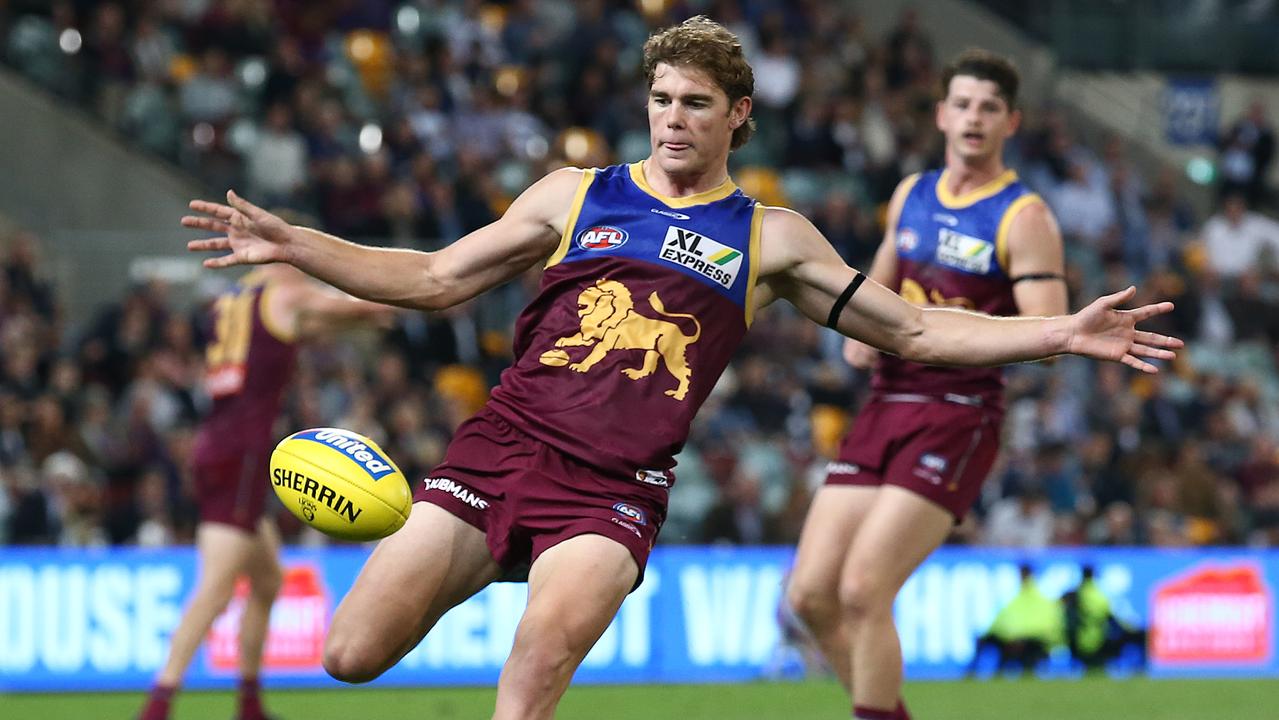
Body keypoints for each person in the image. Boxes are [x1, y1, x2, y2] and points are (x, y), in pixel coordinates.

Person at [180, 19, 1179, 720]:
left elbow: (910, 335)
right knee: (348, 657)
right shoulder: (575, 194)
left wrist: (1055, 332)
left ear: (736, 115)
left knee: (530, 678)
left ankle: (524, 565)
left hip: (610, 492)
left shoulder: (772, 239)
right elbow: (436, 276)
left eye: (694, 103)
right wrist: (298, 242)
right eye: (659, 99)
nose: (671, 118)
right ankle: (481, 555)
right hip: (497, 452)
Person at [786, 49, 1072, 719]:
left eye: (989, 108)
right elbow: (877, 291)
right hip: (884, 403)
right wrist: (860, 335)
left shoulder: (1023, 217)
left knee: (862, 590)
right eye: (963, 104)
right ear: (942, 114)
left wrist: (939, 329)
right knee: (809, 596)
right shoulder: (910, 193)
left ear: (1011, 122)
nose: (974, 117)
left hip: (957, 411)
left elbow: (1050, 338)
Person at [138, 264, 391, 720]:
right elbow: (345, 305)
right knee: (215, 589)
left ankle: (249, 703)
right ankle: (158, 704)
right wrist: (403, 298)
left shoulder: (234, 300)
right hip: (243, 451)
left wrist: (351, 318)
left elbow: (302, 326)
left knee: (268, 579)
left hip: (219, 439)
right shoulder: (286, 291)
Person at [969, 564, 1063, 676]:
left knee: (1011, 648)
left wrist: (1015, 636)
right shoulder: (1027, 598)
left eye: (1022, 575)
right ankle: (976, 671)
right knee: (993, 643)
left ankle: (976, 671)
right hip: (1018, 638)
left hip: (1030, 641)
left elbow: (1036, 625)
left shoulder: (1034, 599)